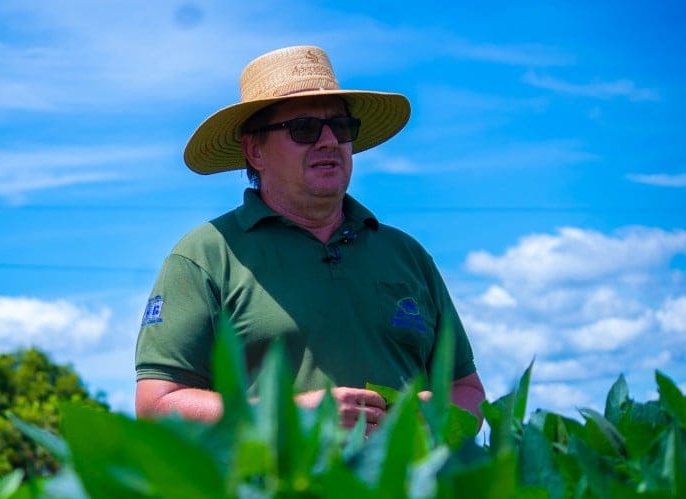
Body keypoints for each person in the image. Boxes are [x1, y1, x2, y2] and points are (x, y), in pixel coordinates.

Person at [135, 45, 485, 433]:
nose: (329, 141)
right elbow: (157, 405)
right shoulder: (206, 254)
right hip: (271, 494)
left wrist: (431, 412)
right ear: (255, 150)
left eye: (341, 127)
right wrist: (288, 416)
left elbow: (466, 391)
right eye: (303, 129)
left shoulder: (407, 254)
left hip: (410, 493)